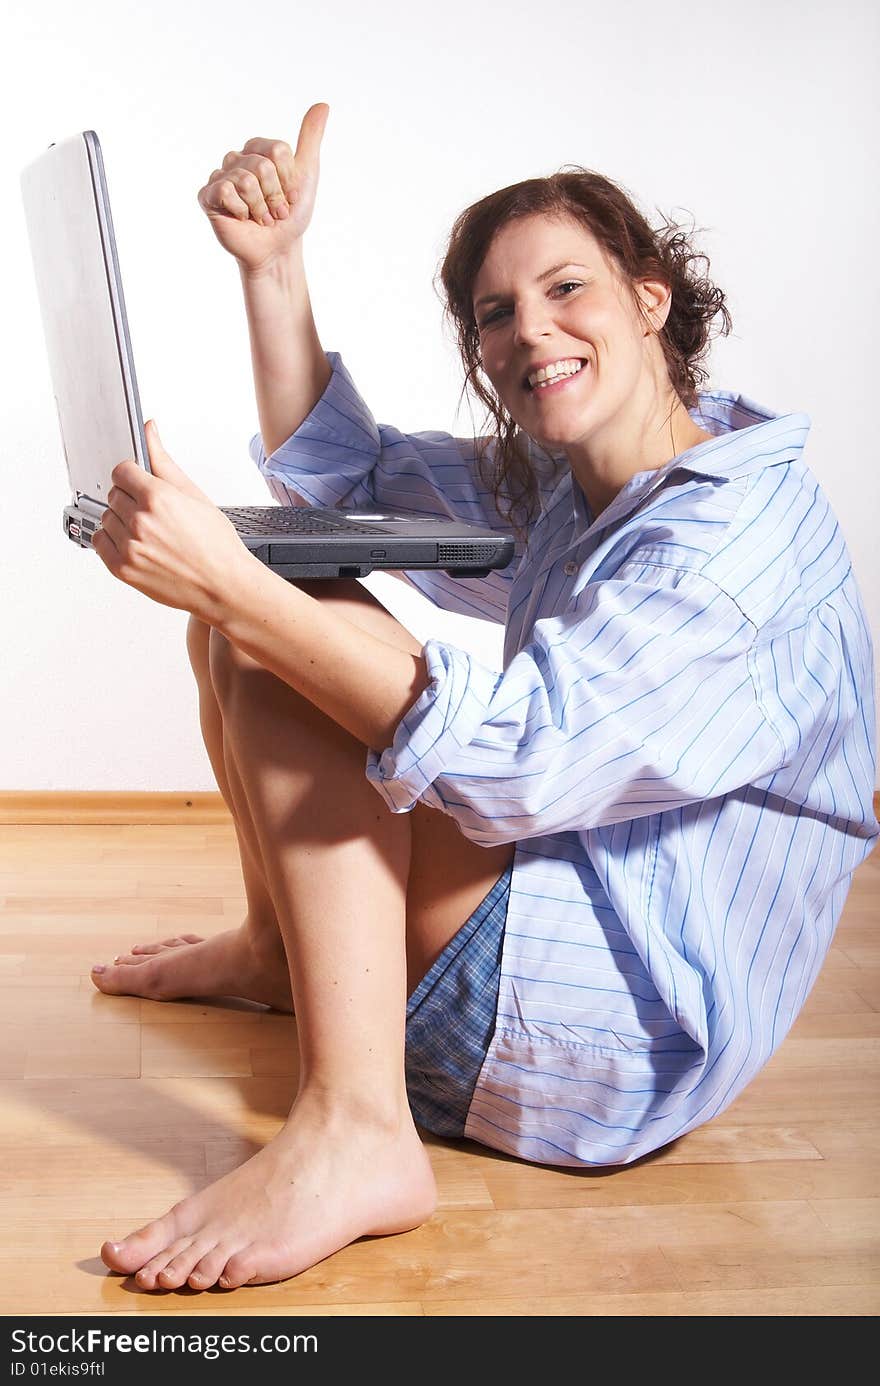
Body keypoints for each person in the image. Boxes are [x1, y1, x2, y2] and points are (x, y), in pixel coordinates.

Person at [89, 102, 878, 1292]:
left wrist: (243, 587)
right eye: (497, 313)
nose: (530, 332)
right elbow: (352, 478)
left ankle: (358, 1129)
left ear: (649, 297)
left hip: (609, 1040)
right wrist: (274, 266)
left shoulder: (729, 550)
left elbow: (518, 758)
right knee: (259, 612)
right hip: (562, 939)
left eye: (568, 291)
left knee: (282, 640)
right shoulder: (587, 481)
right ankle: (276, 952)